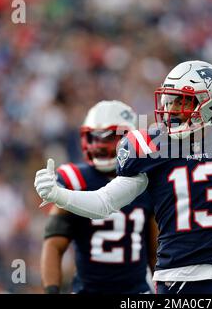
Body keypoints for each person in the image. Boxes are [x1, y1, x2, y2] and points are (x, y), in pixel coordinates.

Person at [34, 1, 212, 294]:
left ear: (211, 103)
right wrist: (59, 195)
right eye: (169, 101)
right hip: (174, 280)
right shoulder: (154, 146)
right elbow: (104, 203)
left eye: (181, 101)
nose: (171, 110)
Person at [40, 100, 158, 294]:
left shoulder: (146, 181)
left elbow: (155, 252)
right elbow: (53, 245)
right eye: (94, 137)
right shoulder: (76, 180)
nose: (100, 145)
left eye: (110, 137)